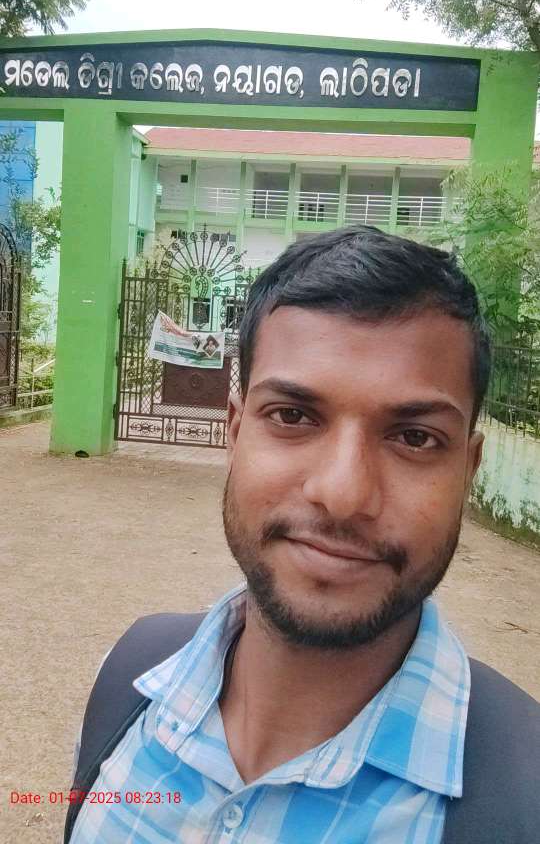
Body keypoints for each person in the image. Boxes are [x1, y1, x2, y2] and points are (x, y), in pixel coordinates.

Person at [67, 227, 539, 843]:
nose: (343, 495)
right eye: (292, 416)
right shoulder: (128, 682)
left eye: (415, 437)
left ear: (467, 471)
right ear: (235, 431)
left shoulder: (524, 797)